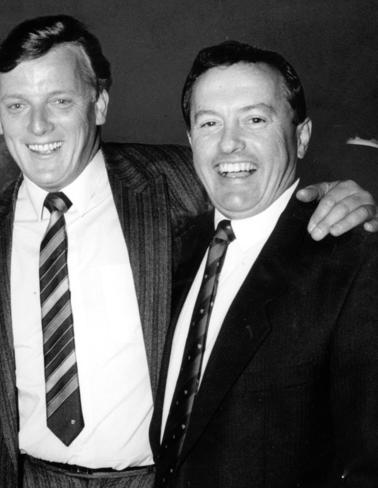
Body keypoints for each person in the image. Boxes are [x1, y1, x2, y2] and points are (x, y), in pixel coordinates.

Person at [0, 14, 377, 488]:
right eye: (17, 105)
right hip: (26, 477)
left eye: (60, 100)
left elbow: (256, 184)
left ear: (99, 103)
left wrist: (348, 200)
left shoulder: (176, 183)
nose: (39, 125)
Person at [151, 40, 378, 488]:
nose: (229, 142)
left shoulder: (353, 260)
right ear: (191, 141)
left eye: (255, 119)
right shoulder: (174, 245)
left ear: (302, 135)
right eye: (210, 122)